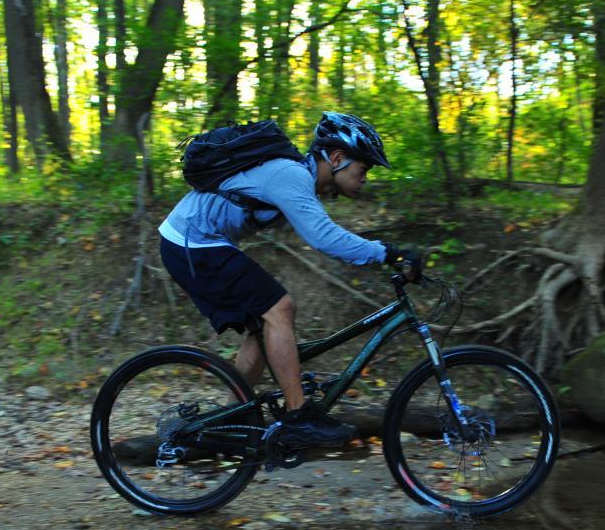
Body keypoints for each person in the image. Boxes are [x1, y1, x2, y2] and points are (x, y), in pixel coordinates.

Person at [158, 112, 421, 448]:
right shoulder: (292, 175)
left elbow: (324, 237)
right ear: (337, 158)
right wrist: (389, 253)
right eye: (364, 168)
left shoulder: (296, 178)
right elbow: (325, 238)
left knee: (263, 330)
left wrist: (381, 255)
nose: (365, 178)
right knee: (280, 309)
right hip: (192, 242)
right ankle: (298, 416)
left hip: (196, 242)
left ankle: (226, 420)